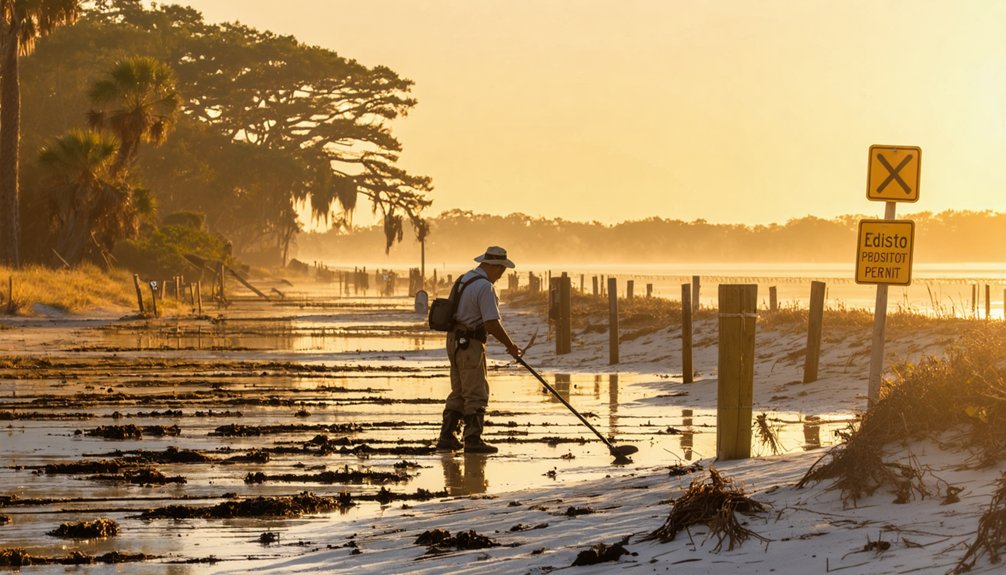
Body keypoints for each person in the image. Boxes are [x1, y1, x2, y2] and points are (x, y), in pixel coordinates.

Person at [436, 246, 522, 454]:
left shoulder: (464, 279)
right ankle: (473, 439)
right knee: (476, 392)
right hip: (469, 344)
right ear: (494, 266)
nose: (501, 275)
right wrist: (510, 345)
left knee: (459, 391)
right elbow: (491, 323)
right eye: (501, 270)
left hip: (454, 341)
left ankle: (447, 437)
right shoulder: (484, 287)